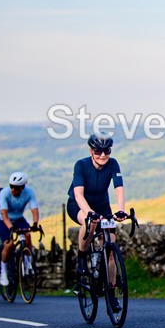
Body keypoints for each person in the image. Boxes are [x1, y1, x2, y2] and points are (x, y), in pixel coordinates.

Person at [66, 133, 126, 311]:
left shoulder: (113, 163)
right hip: (78, 204)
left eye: (106, 151)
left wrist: (121, 210)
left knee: (111, 249)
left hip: (102, 205)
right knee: (89, 223)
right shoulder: (81, 165)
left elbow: (119, 189)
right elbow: (78, 194)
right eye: (98, 151)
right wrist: (89, 213)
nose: (103, 155)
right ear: (91, 151)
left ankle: (111, 292)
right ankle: (82, 258)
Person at [0, 172, 40, 286]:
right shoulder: (4, 193)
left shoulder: (29, 192)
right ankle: (3, 272)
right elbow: (4, 214)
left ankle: (27, 264)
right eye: (11, 186)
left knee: (27, 234)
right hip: (4, 220)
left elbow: (34, 209)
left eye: (15, 188)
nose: (13, 190)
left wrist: (35, 223)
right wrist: (11, 228)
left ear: (23, 187)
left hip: (18, 218)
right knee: (9, 244)